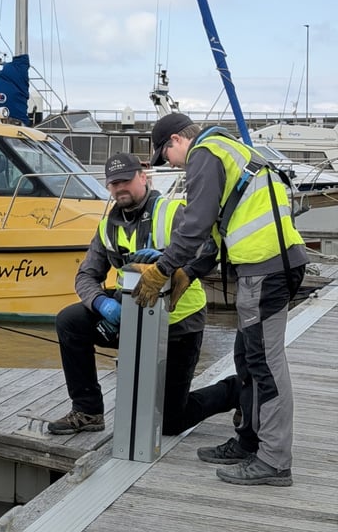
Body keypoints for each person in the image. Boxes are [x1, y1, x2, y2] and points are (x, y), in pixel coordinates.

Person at [131, 112, 308, 487]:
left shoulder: (205, 153)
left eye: (166, 155)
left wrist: (163, 269)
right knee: (247, 358)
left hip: (266, 268)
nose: (170, 164)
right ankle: (249, 443)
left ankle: (274, 460)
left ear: (177, 140)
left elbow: (195, 225)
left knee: (265, 364)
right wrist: (188, 272)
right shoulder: (226, 150)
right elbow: (215, 232)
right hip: (268, 266)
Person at [47, 151, 239, 437]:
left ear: (143, 177)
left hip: (177, 325)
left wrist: (168, 260)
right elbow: (86, 276)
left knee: (170, 422)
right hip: (130, 319)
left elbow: (209, 252)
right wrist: (101, 304)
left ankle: (236, 390)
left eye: (126, 180)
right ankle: (88, 411)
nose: (119, 188)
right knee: (70, 321)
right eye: (114, 183)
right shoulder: (107, 227)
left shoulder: (173, 213)